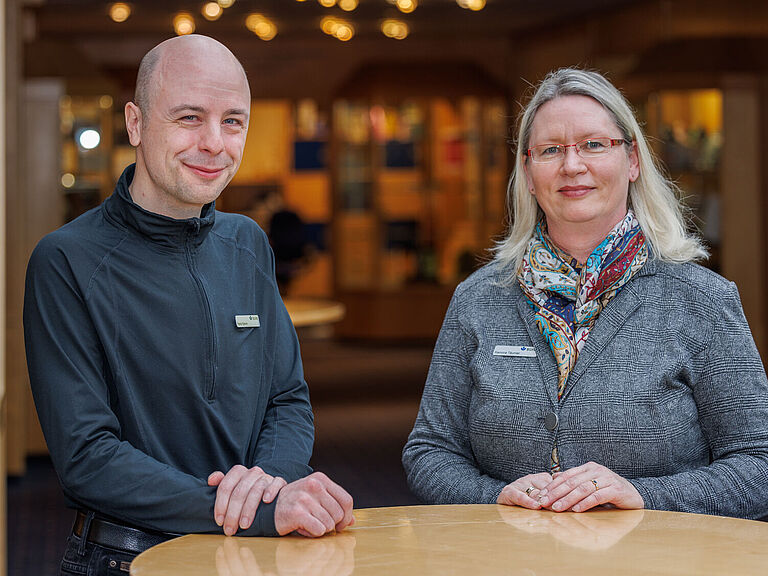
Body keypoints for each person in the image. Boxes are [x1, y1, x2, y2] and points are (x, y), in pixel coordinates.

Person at [24, 35, 353, 575]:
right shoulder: (66, 261)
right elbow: (87, 457)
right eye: (189, 118)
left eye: (233, 121)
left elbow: (287, 398)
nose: (214, 144)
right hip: (125, 558)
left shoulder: (248, 243)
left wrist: (267, 484)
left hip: (255, 556)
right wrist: (257, 510)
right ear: (135, 123)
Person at [402, 68, 768, 519]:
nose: (572, 166)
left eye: (594, 145)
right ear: (528, 172)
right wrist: (492, 497)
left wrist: (643, 496)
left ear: (632, 160)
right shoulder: (478, 299)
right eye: (551, 150)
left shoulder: (701, 301)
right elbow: (430, 452)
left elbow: (759, 465)